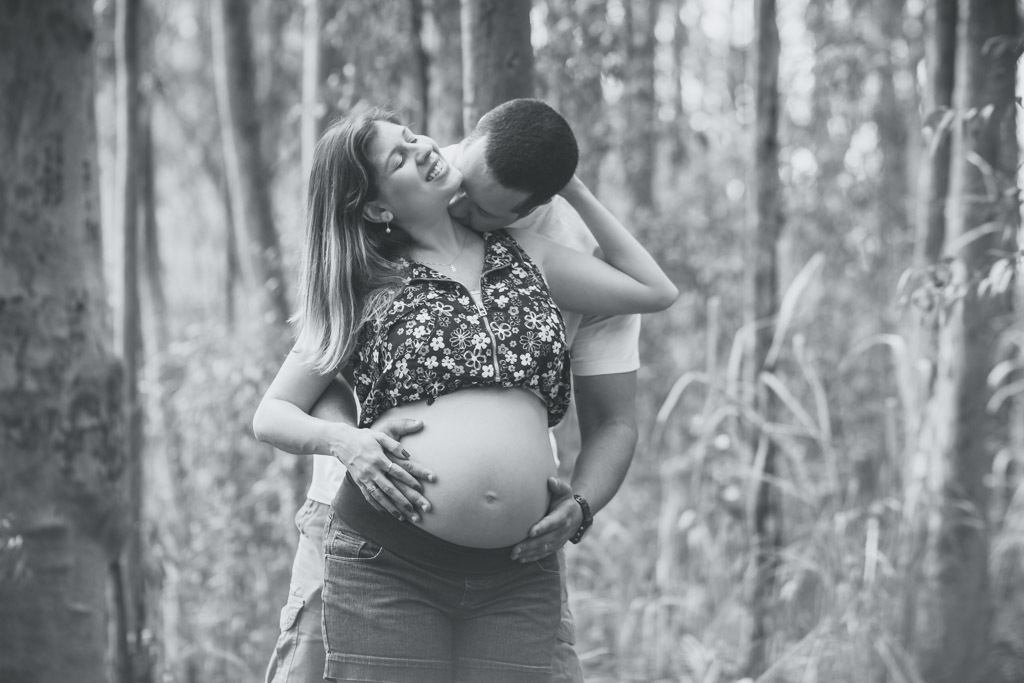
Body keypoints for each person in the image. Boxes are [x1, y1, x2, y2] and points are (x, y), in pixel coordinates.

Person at [256, 101, 673, 682]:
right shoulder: (364, 276)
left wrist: (567, 182)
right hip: (388, 559)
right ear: (377, 206)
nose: (424, 150)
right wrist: (345, 441)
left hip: (515, 572)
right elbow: (275, 410)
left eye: (413, 137)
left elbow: (653, 291)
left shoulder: (535, 252)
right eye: (399, 156)